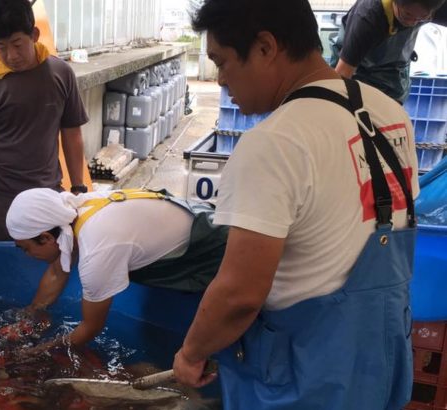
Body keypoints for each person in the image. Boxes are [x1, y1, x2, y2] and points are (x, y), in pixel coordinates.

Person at [175, 0, 420, 408]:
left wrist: (190, 353)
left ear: (266, 47)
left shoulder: (274, 142)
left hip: (306, 377)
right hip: (382, 357)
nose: (220, 80)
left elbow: (240, 294)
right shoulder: (389, 111)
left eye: (222, 61)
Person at [4, 188, 228, 346]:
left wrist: (36, 353)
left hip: (218, 248)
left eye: (25, 248)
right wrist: (31, 314)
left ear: (46, 238)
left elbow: (90, 328)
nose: (29, 255)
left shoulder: (97, 253)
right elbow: (57, 270)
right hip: (199, 216)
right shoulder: (74, 210)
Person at [0, 0, 88, 242]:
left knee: (49, 266)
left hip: (47, 197)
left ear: (34, 35)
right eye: (1, 47)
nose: (11, 56)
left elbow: (72, 133)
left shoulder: (60, 74)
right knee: (0, 268)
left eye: (17, 44)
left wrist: (79, 191)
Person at [331, 0, 447, 103]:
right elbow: (343, 74)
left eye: (422, 18)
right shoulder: (367, 16)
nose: (412, 22)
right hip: (357, 75)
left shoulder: (432, 4)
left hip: (393, 78)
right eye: (407, 15)